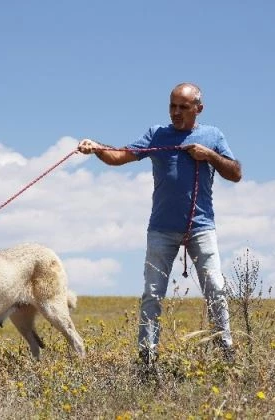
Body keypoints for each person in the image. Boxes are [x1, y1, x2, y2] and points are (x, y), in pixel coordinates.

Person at [77, 82, 242, 364]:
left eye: (183, 107)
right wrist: (97, 149)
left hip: (201, 226)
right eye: (172, 106)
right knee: (152, 293)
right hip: (161, 229)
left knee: (215, 286)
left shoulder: (213, 135)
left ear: (198, 109)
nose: (176, 112)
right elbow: (121, 156)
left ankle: (225, 349)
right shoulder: (157, 134)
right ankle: (147, 357)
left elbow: (236, 173)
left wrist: (209, 155)